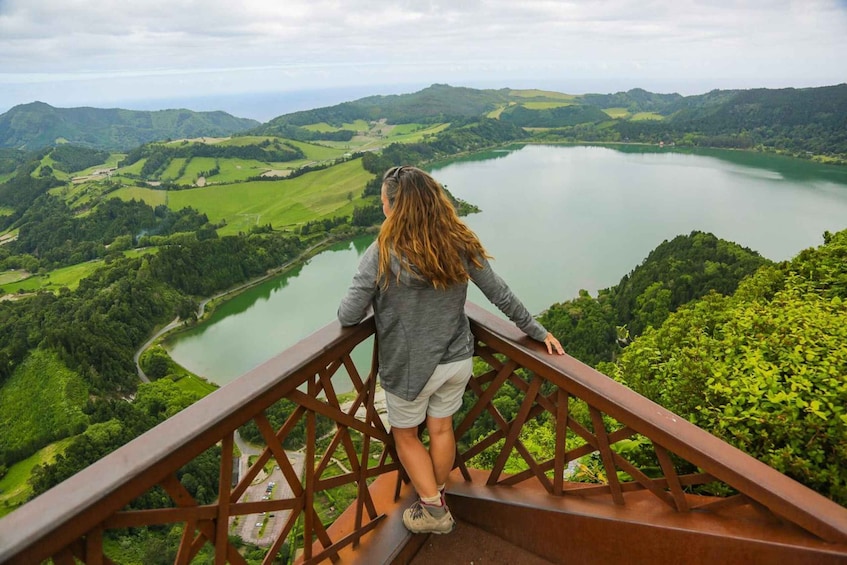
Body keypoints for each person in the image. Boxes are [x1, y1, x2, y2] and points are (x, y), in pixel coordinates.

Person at [337, 165, 564, 535]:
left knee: (406, 436)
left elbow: (348, 315)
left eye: (383, 202)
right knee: (441, 429)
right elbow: (500, 293)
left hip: (411, 370)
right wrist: (537, 331)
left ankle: (434, 511)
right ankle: (435, 493)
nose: (382, 208)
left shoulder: (382, 251)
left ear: (394, 207)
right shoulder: (458, 240)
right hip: (457, 358)